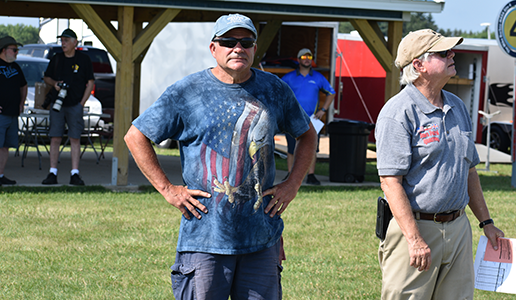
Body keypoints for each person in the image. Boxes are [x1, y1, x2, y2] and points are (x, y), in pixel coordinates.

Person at [124, 13, 317, 300]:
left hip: (261, 239)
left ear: (254, 48)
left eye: (246, 41)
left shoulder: (274, 89)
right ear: (213, 48)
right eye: (228, 41)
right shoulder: (187, 92)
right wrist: (169, 190)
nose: (237, 48)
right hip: (205, 239)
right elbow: (136, 136)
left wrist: (293, 184)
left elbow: (307, 134)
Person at [375, 29, 504, 299]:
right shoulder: (397, 112)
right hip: (417, 229)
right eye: (444, 53)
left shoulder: (457, 106)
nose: (452, 55)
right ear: (419, 65)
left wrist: (486, 222)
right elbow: (390, 182)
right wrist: (414, 239)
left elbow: (469, 171)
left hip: (458, 228)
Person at [41, 28, 94, 186]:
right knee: (55, 137)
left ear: (74, 43)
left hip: (75, 106)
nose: (63, 43)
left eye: (66, 40)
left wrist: (81, 104)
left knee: (75, 139)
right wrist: (55, 84)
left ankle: (74, 173)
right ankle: (52, 172)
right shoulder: (57, 58)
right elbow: (46, 78)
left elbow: (90, 82)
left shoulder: (84, 59)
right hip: (58, 105)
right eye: (62, 40)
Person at [281, 48, 335, 185]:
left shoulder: (318, 77)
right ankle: (290, 174)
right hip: (293, 118)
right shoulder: (289, 77)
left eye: (309, 57)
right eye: (303, 57)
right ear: (298, 60)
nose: (306, 59)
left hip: (312, 119)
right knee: (292, 148)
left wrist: (323, 109)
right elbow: (278, 91)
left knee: (312, 148)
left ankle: (311, 175)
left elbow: (331, 93)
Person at [0, 36, 27, 186]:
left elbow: (23, 86)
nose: (17, 53)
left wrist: (21, 103)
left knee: (5, 146)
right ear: (4, 50)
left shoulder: (16, 67)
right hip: (1, 114)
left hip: (12, 114)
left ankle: (1, 175)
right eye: (14, 50)